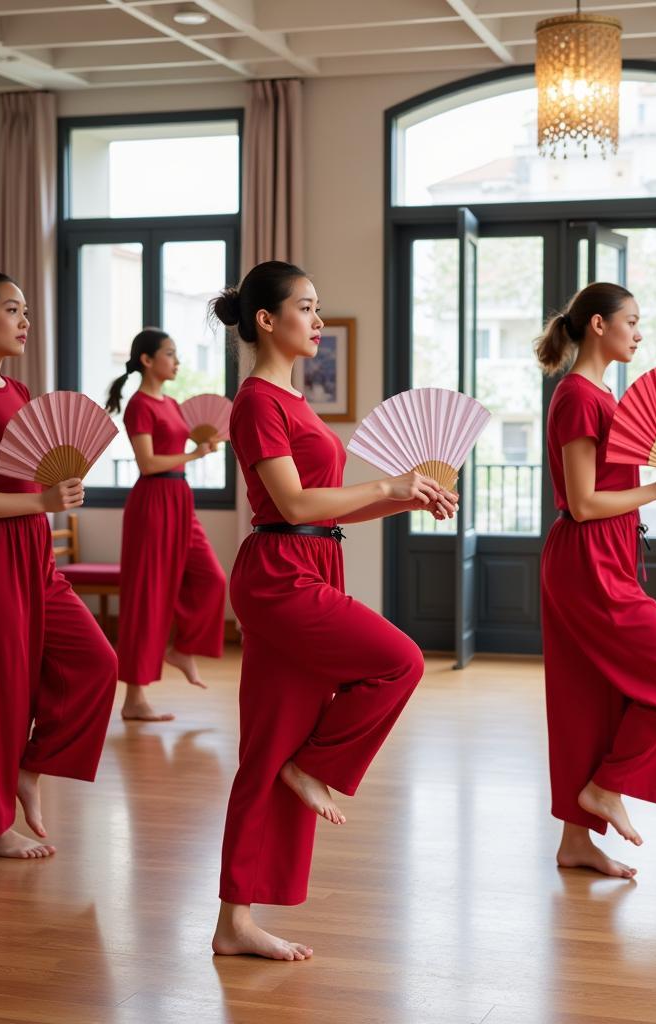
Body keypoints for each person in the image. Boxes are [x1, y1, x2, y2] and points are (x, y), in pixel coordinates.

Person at [209, 261, 457, 960]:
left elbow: (323, 507)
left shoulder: (293, 400)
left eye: (319, 309)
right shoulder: (257, 401)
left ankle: (234, 922)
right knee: (400, 662)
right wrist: (389, 481)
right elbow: (291, 506)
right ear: (266, 320)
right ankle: (314, 766)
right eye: (307, 308)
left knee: (263, 752)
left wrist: (408, 497)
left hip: (310, 558)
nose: (318, 321)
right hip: (281, 576)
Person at [0, 272, 117, 859]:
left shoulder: (19, 392)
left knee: (97, 661)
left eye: (27, 310)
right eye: (13, 310)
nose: (25, 320)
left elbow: (32, 470)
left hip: (35, 551)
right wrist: (42, 499)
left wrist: (58, 489)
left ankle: (29, 768)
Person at [535, 283, 656, 879]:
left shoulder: (603, 394)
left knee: (591, 701)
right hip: (587, 557)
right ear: (600, 325)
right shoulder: (578, 396)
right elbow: (582, 502)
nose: (639, 332)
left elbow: (603, 495)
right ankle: (608, 785)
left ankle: (576, 842)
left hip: (605, 552)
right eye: (632, 321)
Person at [105, 328, 226, 722]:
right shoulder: (139, 405)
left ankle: (182, 649)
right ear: (147, 360)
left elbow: (181, 449)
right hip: (152, 502)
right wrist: (192, 456)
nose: (176, 362)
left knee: (212, 579)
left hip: (180, 500)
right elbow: (147, 463)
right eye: (170, 354)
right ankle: (134, 700)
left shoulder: (173, 404)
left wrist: (202, 448)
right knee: (147, 597)